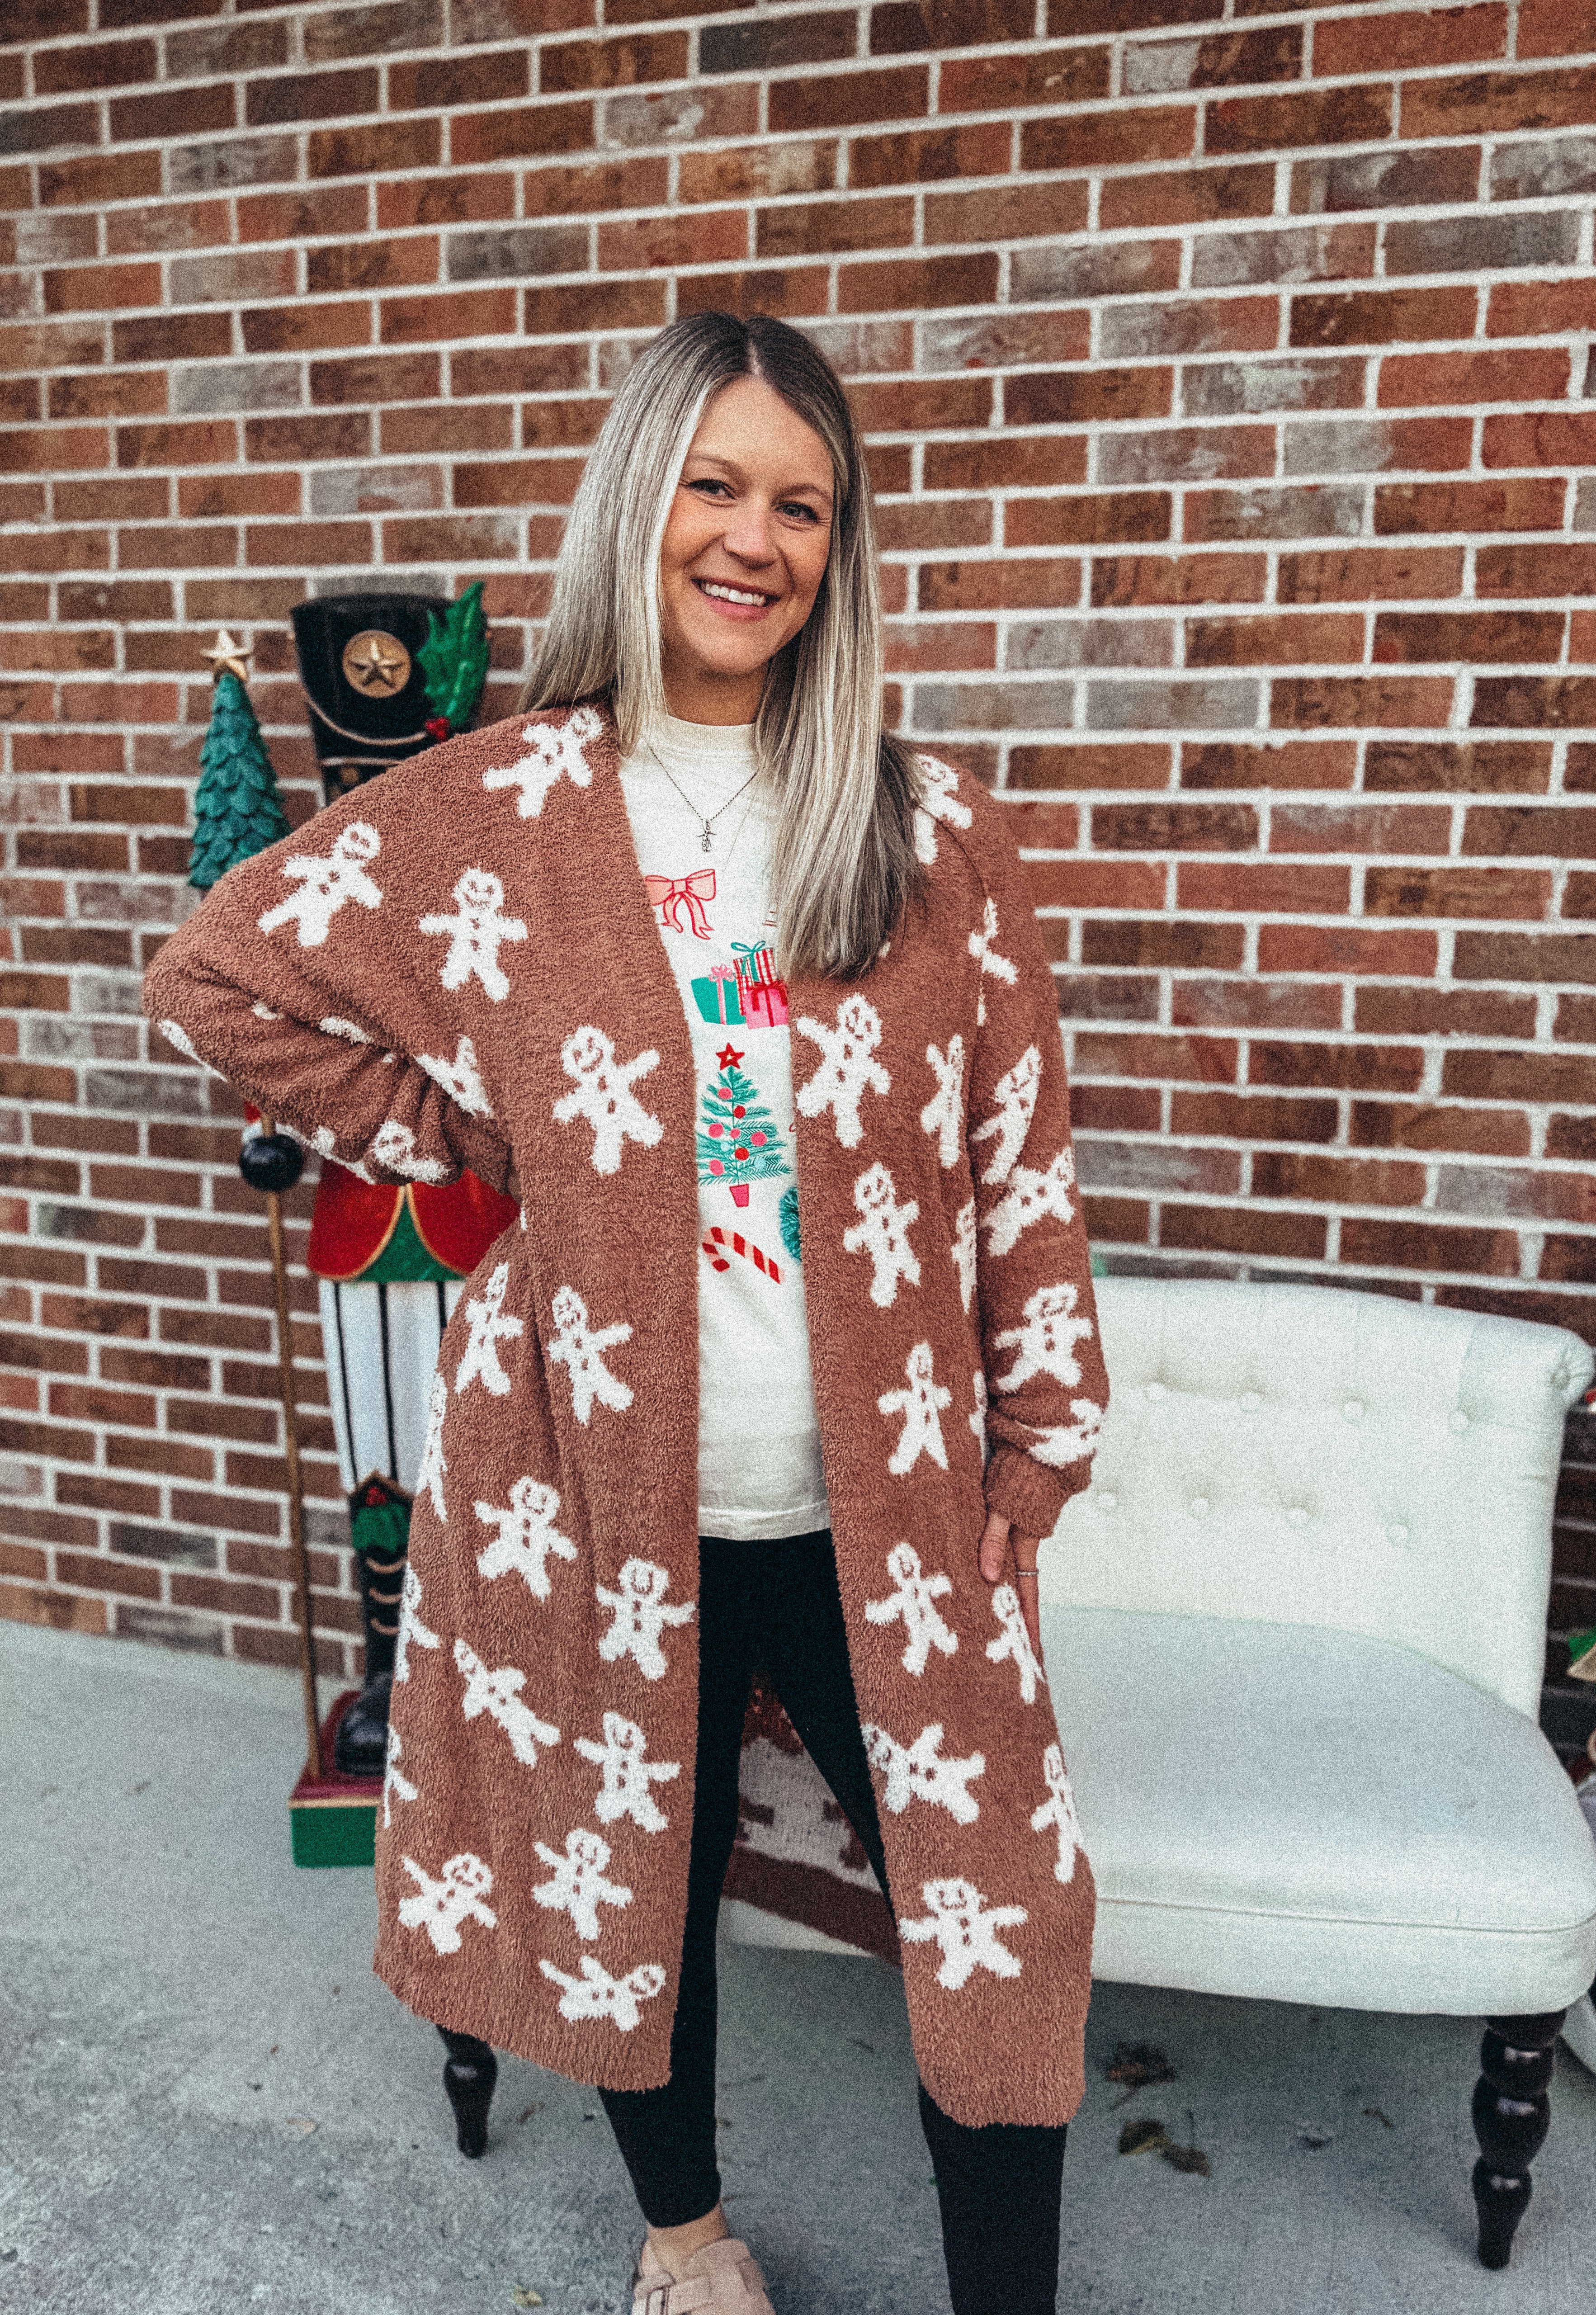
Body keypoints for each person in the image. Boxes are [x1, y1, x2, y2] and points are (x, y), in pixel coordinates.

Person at [145, 312, 1110, 2315]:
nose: (755, 537)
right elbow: (218, 974)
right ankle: (688, 2239)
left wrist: (1045, 1439)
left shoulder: (928, 834)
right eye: (717, 482)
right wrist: (458, 1146)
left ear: (840, 549)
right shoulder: (499, 814)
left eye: (803, 505)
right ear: (639, 496)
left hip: (889, 1514)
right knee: (629, 1887)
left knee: (996, 1907)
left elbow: (1019, 1149)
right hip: (596, 1484)